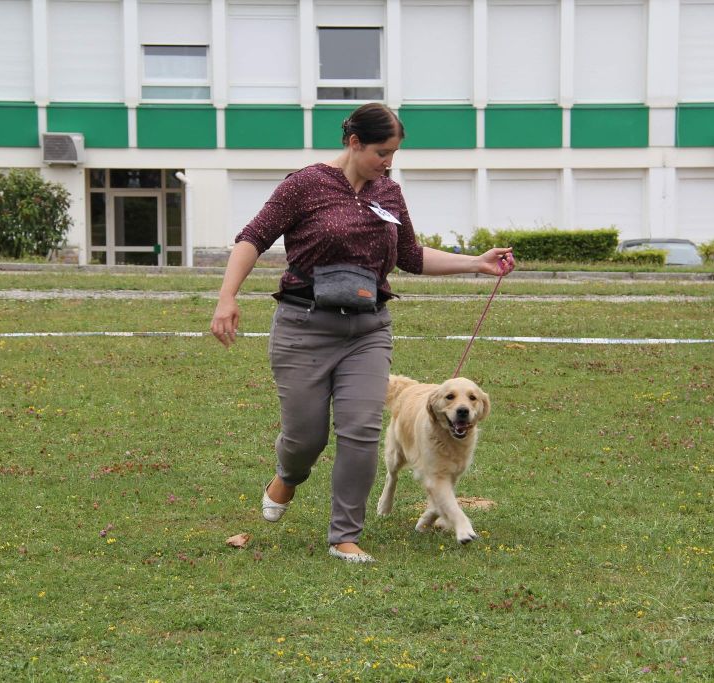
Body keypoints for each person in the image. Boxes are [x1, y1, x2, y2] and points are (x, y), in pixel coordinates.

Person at [210, 102, 515, 563]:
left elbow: (410, 255)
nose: (388, 162)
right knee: (305, 437)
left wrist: (476, 263)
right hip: (303, 327)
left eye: (394, 153)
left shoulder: (388, 192)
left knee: (360, 430)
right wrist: (227, 297)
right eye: (381, 151)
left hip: (368, 329)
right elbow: (253, 237)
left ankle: (344, 536)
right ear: (354, 142)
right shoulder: (305, 185)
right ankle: (288, 476)